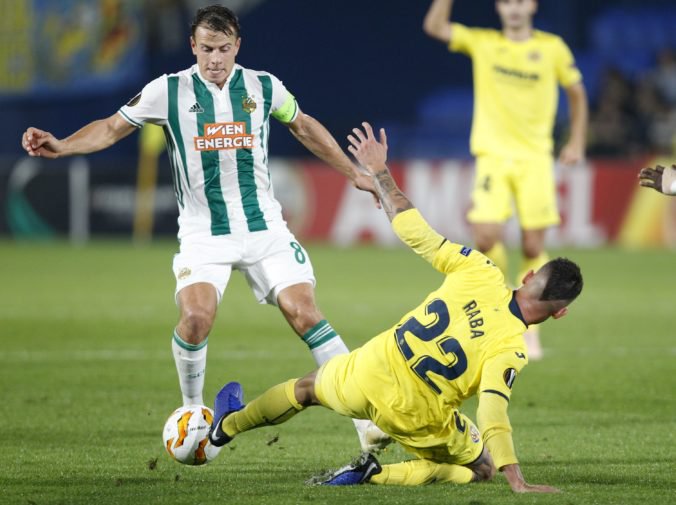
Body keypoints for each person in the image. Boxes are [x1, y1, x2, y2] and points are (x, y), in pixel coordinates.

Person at [20, 5, 387, 452]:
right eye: (207, 48)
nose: (215, 58)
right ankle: (192, 411)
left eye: (224, 48)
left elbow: (304, 127)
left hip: (264, 227)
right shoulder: (167, 91)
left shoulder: (263, 86)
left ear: (237, 47)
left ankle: (367, 423)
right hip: (203, 234)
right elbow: (113, 128)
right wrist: (62, 146)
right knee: (195, 320)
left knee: (305, 313)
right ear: (193, 46)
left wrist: (352, 172)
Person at [207, 123, 583, 492]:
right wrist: (516, 479)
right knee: (481, 468)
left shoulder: (481, 270)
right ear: (559, 313)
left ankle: (227, 426)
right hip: (415, 413)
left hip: (373, 366)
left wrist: (381, 173)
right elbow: (491, 413)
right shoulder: (511, 349)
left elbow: (416, 232)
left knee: (306, 389)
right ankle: (375, 474)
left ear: (530, 274)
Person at [423, 0, 588, 359]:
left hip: (535, 159)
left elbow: (576, 92)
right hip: (493, 157)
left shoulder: (551, 48)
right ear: (499, 8)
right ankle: (500, 308)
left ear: (532, 6)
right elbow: (435, 27)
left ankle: (528, 326)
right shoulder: (483, 42)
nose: (514, 8)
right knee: (485, 235)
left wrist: (575, 140)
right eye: (507, 2)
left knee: (532, 246)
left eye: (520, 1)